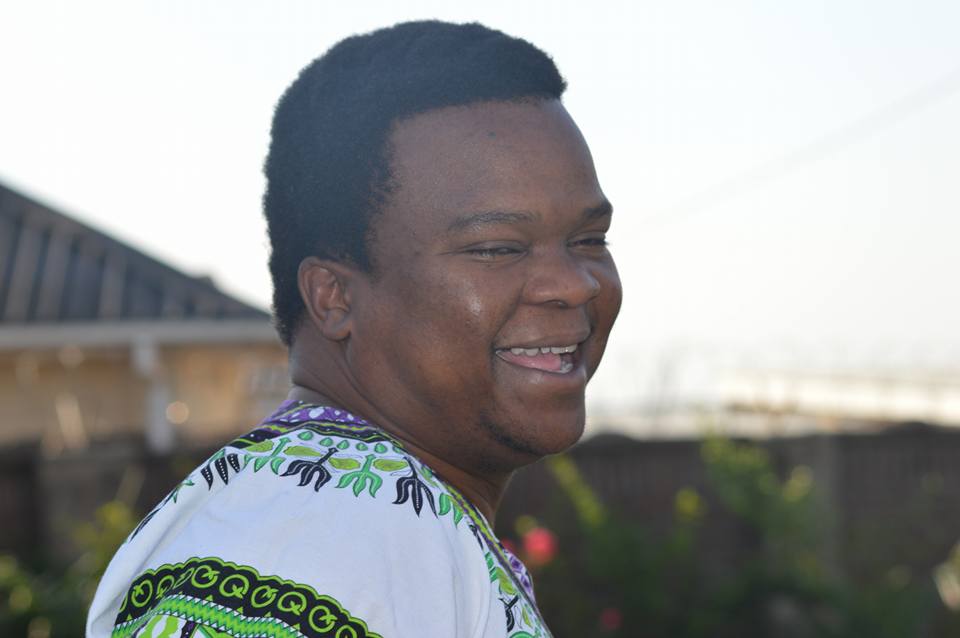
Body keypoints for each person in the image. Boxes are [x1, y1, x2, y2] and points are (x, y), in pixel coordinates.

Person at [87, 20, 621, 637]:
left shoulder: (359, 519)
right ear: (334, 297)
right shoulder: (320, 539)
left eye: (590, 239)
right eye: (499, 248)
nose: (574, 284)